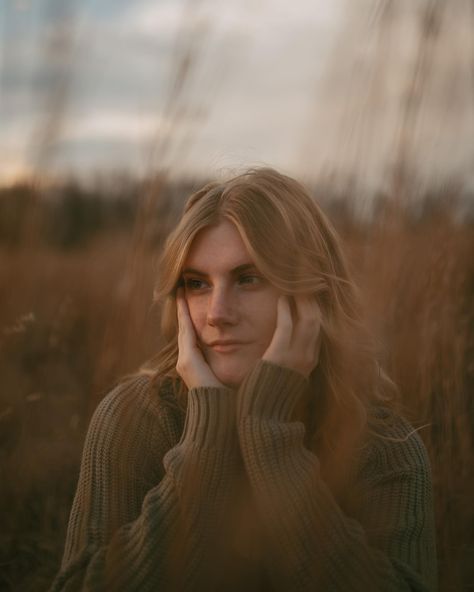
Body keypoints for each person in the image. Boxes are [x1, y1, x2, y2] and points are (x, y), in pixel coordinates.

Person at [50, 168, 437, 591]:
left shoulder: (382, 446)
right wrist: (207, 442)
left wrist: (270, 435)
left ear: (312, 297)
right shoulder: (132, 420)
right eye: (197, 284)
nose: (217, 312)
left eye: (248, 279)